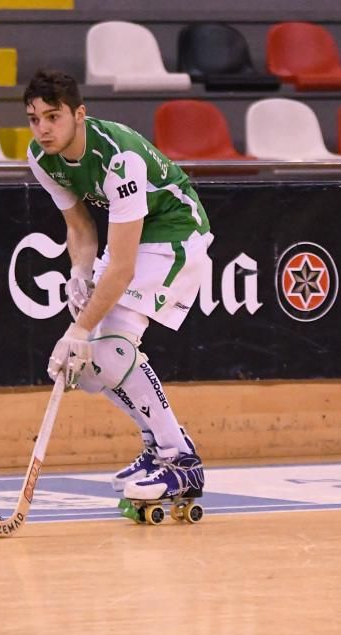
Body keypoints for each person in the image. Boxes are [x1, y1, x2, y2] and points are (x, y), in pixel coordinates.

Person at [23, 69, 209, 506]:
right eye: (34, 119)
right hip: (131, 237)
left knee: (106, 345)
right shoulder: (40, 157)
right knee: (89, 366)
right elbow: (81, 227)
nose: (43, 129)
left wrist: (77, 330)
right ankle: (156, 445)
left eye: (53, 117)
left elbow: (123, 267)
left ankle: (180, 459)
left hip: (175, 234)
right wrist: (79, 271)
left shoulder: (118, 157)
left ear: (79, 114)